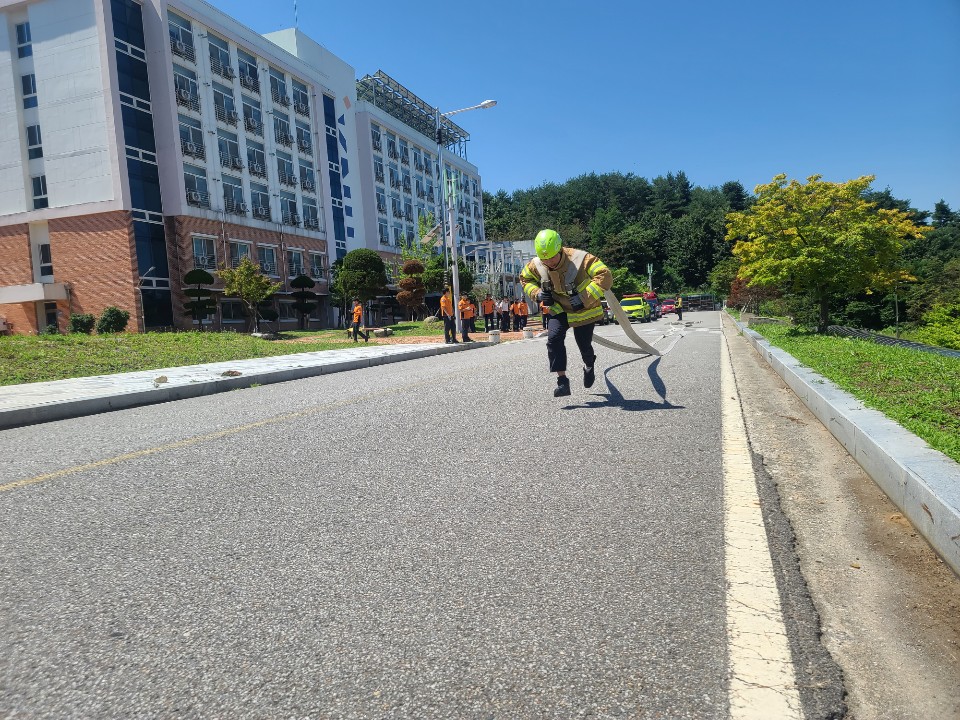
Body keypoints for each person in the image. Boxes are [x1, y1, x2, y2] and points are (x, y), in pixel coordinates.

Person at [520, 228, 612, 397]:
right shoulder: (537, 264)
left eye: (552, 257)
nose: (549, 262)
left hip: (583, 309)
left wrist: (583, 298)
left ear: (560, 249)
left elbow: (604, 275)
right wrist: (537, 293)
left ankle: (589, 365)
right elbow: (525, 279)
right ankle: (562, 381)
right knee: (553, 339)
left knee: (584, 345)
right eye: (544, 259)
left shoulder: (581, 259)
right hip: (559, 308)